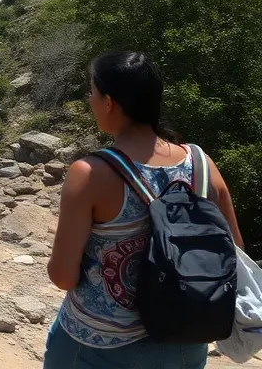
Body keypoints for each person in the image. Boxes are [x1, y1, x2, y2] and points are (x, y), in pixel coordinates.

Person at [44, 52, 245, 369]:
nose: (89, 99)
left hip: (98, 348)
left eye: (91, 92)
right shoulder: (201, 162)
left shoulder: (91, 173)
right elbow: (234, 253)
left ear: (109, 102)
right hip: (186, 345)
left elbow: (63, 277)